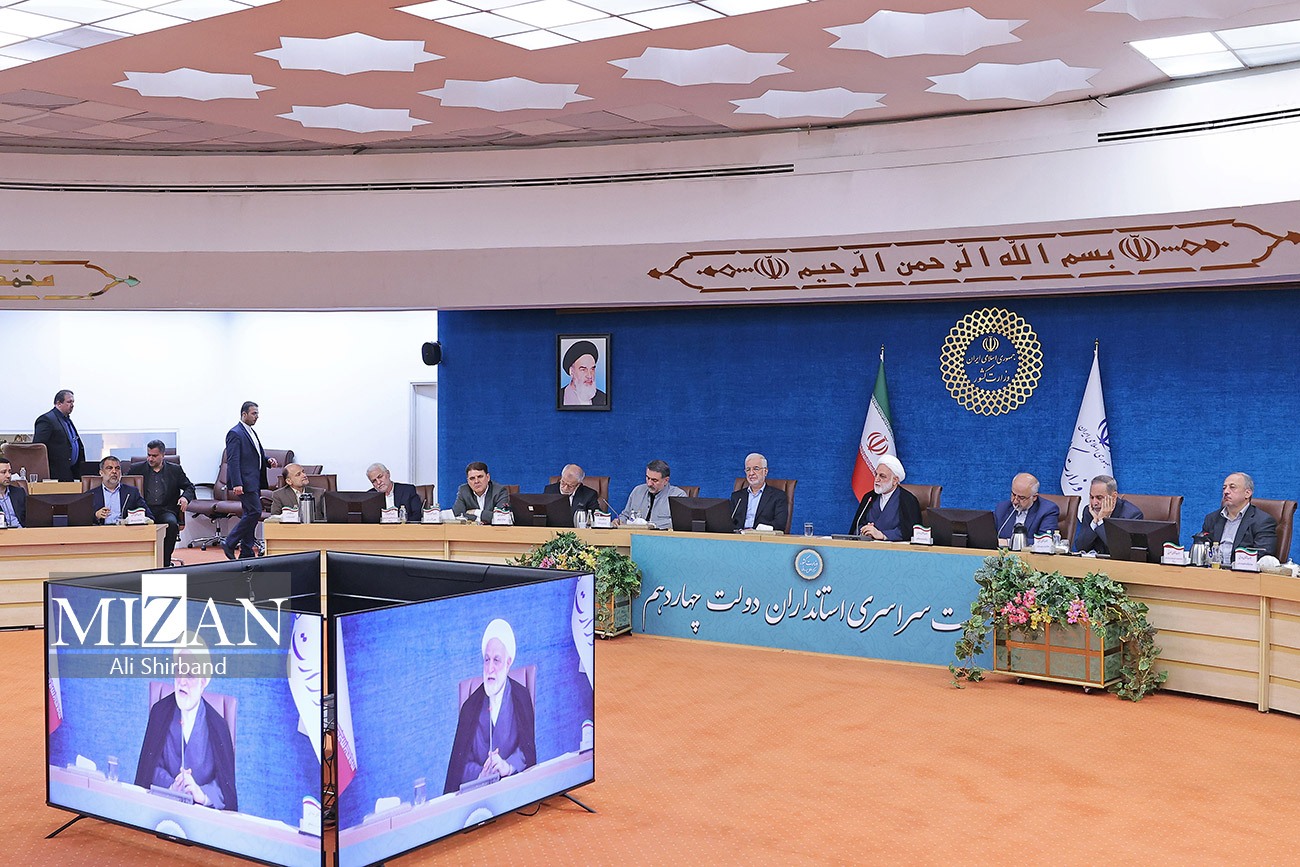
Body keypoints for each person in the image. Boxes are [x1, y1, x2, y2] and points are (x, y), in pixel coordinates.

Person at [135, 640, 238, 811]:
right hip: (162, 808)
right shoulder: (159, 712)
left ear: (203, 681)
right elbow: (148, 770)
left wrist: (201, 794)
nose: (181, 681)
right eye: (178, 671)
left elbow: (224, 789)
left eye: (189, 675)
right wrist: (172, 787)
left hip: (201, 816)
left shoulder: (219, 726)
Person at [443, 618, 536, 794]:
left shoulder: (521, 697)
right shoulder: (470, 707)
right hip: (478, 794)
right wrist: (481, 774)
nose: (490, 668)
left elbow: (526, 751)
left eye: (496, 660)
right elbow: (460, 766)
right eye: (487, 660)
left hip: (514, 789)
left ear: (508, 663)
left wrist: (507, 766)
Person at [223, 401, 277, 560]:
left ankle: (246, 551)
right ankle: (230, 542)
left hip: (254, 480)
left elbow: (256, 454)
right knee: (255, 512)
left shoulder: (251, 431)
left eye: (257, 414)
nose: (257, 417)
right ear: (244, 414)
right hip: (244, 482)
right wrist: (237, 483)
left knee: (249, 513)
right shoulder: (235, 433)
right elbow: (233, 460)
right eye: (254, 413)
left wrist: (267, 460)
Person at [129, 441, 196, 566]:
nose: (150, 459)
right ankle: (140, 562)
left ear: (163, 455)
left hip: (166, 510)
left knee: (171, 524)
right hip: (143, 510)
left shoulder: (175, 469)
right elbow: (126, 486)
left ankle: (164, 562)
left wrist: (185, 498)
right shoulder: (136, 469)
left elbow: (189, 487)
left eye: (154, 456)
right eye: (148, 455)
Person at [1202, 471, 1277, 559]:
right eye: (1224, 488)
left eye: (1232, 487)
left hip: (1242, 567)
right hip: (1213, 567)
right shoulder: (1212, 518)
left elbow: (1263, 554)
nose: (1226, 491)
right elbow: (1202, 549)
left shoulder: (1262, 521)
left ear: (1247, 493)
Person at [848, 454, 921, 540]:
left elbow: (909, 531)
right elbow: (857, 525)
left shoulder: (908, 500)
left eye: (882, 476)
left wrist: (882, 535)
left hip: (893, 547)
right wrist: (865, 531)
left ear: (895, 480)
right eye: (876, 474)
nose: (876, 479)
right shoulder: (869, 497)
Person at [1072, 474, 1144, 555]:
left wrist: (1101, 521)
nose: (1094, 503)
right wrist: (1095, 522)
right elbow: (1080, 547)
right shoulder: (1089, 511)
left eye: (1099, 498)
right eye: (1092, 497)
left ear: (1113, 497)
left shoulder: (1131, 515)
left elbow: (1120, 550)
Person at [33, 389, 85, 482]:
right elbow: (38, 448)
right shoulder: (46, 420)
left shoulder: (67, 420)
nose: (72, 405)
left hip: (71, 472)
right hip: (56, 475)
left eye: (73, 402)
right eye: (69, 402)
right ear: (58, 403)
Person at [618, 460, 686, 530]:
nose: (649, 483)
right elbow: (625, 515)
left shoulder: (678, 495)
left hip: (662, 535)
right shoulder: (637, 491)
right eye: (648, 478)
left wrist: (652, 525)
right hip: (634, 534)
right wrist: (619, 521)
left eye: (654, 480)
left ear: (666, 480)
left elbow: (679, 522)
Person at [729, 453, 788, 531]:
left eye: (756, 469)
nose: (751, 473)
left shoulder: (778, 496)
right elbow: (729, 523)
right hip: (739, 536)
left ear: (765, 472)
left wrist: (756, 530)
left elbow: (780, 524)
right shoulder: (737, 497)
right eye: (748, 469)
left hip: (763, 536)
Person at [993, 472, 1059, 542]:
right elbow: (990, 537)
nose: (1015, 501)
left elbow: (1045, 541)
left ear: (1034, 497)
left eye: (1021, 498)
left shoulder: (1047, 510)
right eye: (1013, 494)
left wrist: (1008, 542)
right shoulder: (1002, 508)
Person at [91, 456, 151, 525]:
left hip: (125, 530)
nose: (114, 471)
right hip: (101, 530)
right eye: (109, 468)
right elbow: (83, 520)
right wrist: (96, 516)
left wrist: (132, 519)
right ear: (101, 472)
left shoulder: (132, 492)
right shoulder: (91, 495)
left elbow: (148, 516)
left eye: (117, 468)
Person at [559, 340, 607, 407]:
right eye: (583, 370)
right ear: (571, 371)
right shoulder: (559, 397)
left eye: (592, 369)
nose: (589, 376)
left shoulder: (604, 398)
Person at [0, 456, 26, 528]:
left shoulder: (19, 492)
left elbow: (29, 518)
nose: (8, 476)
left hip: (21, 531)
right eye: (3, 472)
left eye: (9, 472)